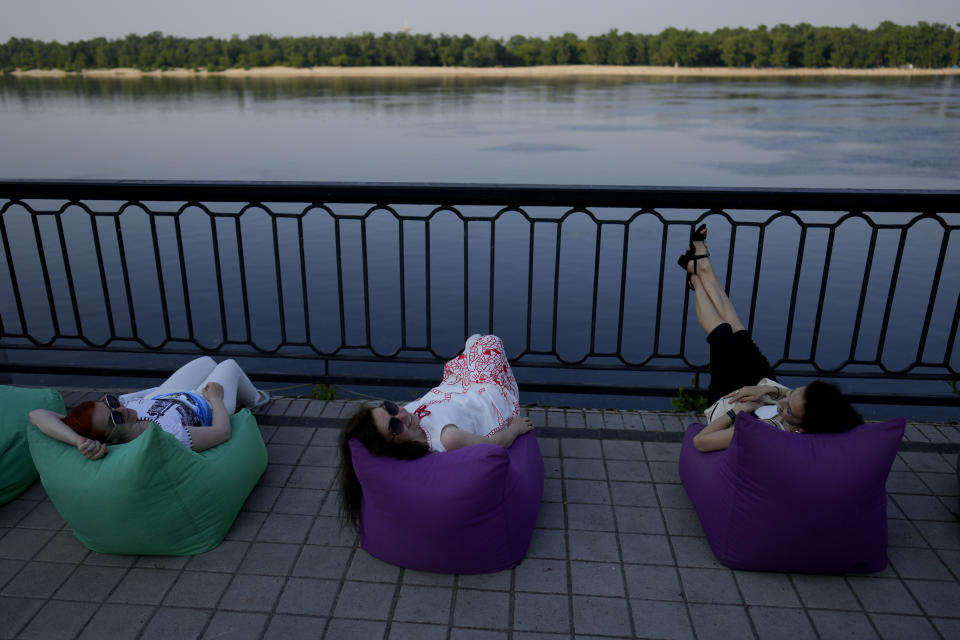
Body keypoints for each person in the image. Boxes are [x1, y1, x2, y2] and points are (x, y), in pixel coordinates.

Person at [679, 225, 863, 452]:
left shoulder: (766, 429)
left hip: (732, 400)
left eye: (787, 410)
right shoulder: (821, 415)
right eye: (792, 393)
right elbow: (786, 399)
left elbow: (701, 443)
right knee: (740, 335)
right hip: (760, 388)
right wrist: (768, 391)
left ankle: (696, 280)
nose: (782, 404)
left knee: (723, 336)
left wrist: (738, 412)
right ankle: (702, 267)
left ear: (801, 429)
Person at [338, 334, 534, 529]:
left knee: (474, 340)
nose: (402, 415)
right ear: (393, 444)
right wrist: (515, 429)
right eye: (394, 426)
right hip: (486, 394)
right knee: (489, 341)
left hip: (458, 385)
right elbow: (496, 445)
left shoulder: (408, 417)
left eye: (389, 408)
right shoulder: (448, 437)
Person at [29, 356, 268, 460]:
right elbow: (221, 434)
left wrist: (76, 441)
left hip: (165, 397)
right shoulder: (164, 436)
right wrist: (215, 399)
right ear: (110, 439)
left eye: (110, 403)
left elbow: (36, 414)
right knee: (229, 365)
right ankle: (255, 400)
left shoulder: (125, 416)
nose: (120, 410)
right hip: (204, 404)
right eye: (115, 418)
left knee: (206, 362)